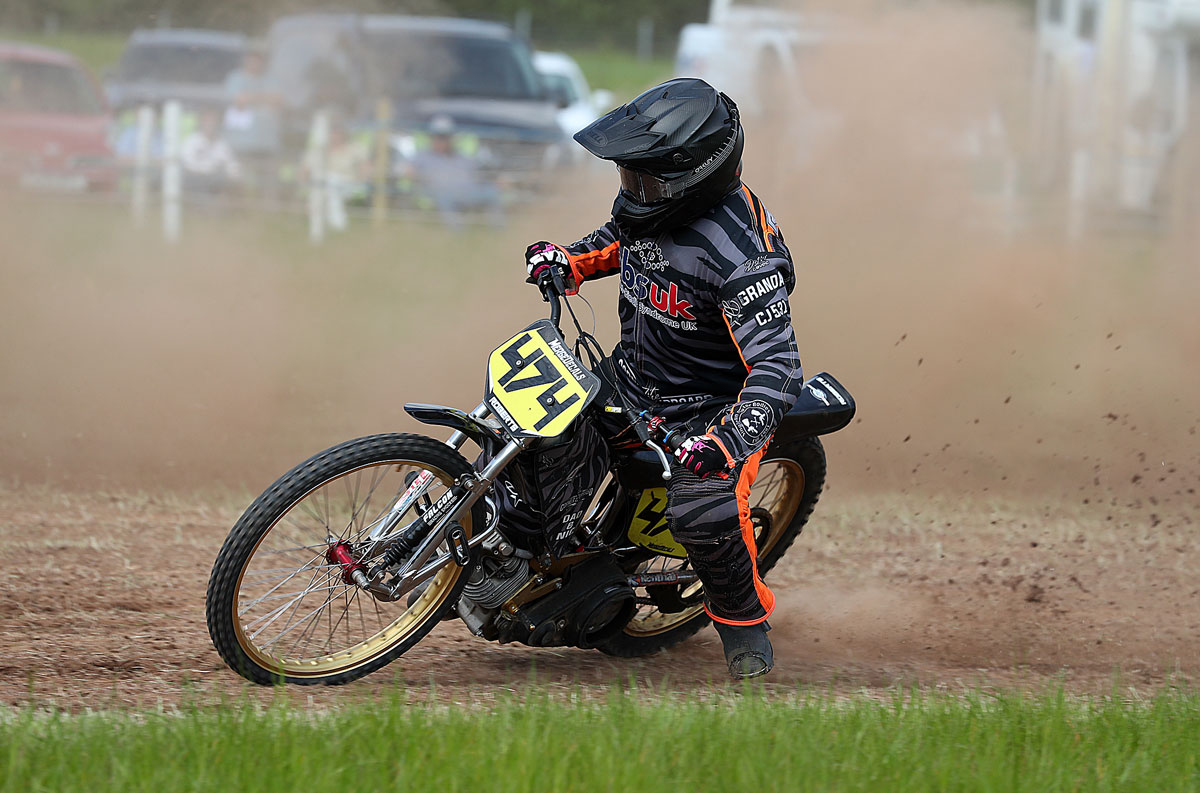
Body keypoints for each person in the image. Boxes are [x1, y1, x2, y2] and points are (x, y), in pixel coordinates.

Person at [508, 78, 805, 679]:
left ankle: (744, 627)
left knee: (703, 512)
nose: (630, 189)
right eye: (627, 175)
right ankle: (529, 556)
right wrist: (568, 260)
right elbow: (623, 238)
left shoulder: (744, 259)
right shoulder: (650, 206)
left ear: (693, 178)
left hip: (707, 415)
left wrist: (725, 443)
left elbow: (779, 369)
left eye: (642, 179)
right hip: (630, 380)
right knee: (535, 436)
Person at [408, 114, 503, 230]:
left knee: (491, 192)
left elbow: (480, 171)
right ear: (432, 137)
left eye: (445, 136)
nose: (442, 140)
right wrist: (419, 177)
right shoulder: (422, 156)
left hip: (468, 191)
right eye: (438, 136)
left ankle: (497, 232)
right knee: (445, 196)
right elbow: (407, 170)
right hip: (441, 192)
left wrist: (496, 179)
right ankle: (458, 234)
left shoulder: (461, 156)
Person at [223, 46, 282, 200]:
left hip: (267, 143)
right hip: (240, 142)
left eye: (258, 61)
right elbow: (239, 100)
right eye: (251, 61)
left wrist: (252, 98)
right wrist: (263, 98)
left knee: (266, 181)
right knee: (239, 180)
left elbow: (278, 100)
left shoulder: (271, 79)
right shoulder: (236, 78)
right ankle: (241, 209)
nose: (254, 64)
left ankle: (266, 212)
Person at [180, 111, 241, 195]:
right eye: (207, 122)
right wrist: (207, 170)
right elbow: (188, 163)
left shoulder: (222, 144)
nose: (210, 125)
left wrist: (234, 176)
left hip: (216, 183)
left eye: (213, 122)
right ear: (201, 123)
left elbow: (231, 163)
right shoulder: (191, 141)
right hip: (195, 181)